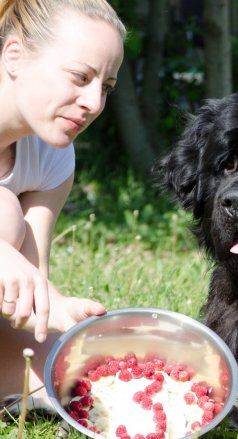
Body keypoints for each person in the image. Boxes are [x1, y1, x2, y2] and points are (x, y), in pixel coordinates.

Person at [0, 0, 125, 407]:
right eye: (79, 77)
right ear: (14, 56)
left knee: (76, 384)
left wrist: (61, 312)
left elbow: (33, 280)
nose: (94, 103)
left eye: (104, 86)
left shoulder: (52, 154)